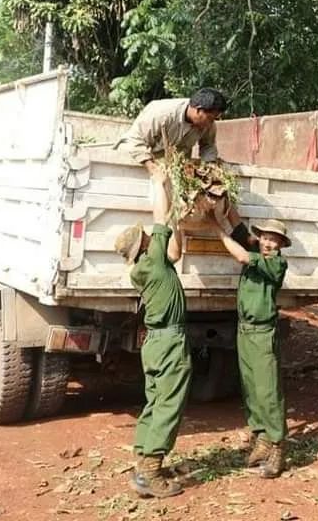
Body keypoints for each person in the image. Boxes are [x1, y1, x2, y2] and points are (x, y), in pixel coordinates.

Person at [113, 169, 190, 498]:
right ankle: (150, 473)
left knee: (155, 401)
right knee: (169, 405)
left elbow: (176, 252)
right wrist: (161, 182)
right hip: (170, 341)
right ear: (144, 244)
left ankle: (143, 460)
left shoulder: (146, 268)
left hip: (155, 342)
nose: (151, 236)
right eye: (147, 236)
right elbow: (160, 219)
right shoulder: (153, 260)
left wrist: (181, 218)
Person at [210, 203, 289, 479]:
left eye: (273, 240)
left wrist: (218, 232)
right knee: (251, 388)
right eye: (265, 237)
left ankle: (278, 445)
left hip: (262, 332)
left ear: (280, 245)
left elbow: (242, 256)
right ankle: (261, 439)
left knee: (268, 390)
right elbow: (240, 227)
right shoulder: (258, 249)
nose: (267, 242)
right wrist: (223, 204)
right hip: (244, 330)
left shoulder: (276, 263)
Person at [116, 88, 228, 176]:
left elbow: (208, 147)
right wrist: (152, 168)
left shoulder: (208, 124)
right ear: (198, 110)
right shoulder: (161, 113)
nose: (211, 123)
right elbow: (135, 139)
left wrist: (211, 168)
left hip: (174, 166)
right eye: (210, 118)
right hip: (141, 158)